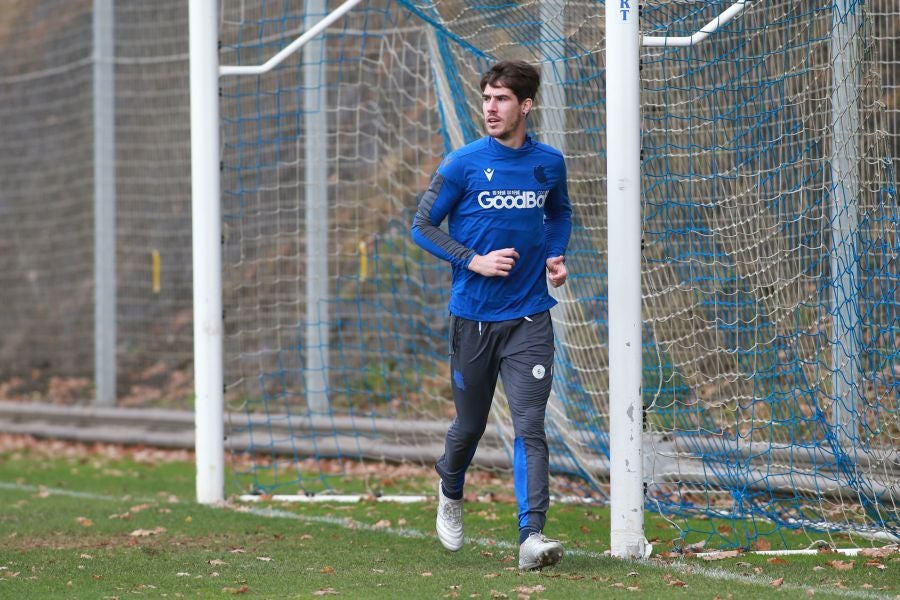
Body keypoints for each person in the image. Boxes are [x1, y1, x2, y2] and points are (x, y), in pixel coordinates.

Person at [411, 60, 572, 570]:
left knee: (530, 426)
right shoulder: (461, 164)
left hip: (529, 319)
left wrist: (554, 253)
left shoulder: (548, 162)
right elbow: (421, 225)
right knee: (470, 427)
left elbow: (559, 212)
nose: (490, 108)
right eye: (485, 99)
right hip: (473, 319)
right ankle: (451, 487)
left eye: (501, 99)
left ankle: (531, 536)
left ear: (525, 106)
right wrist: (473, 260)